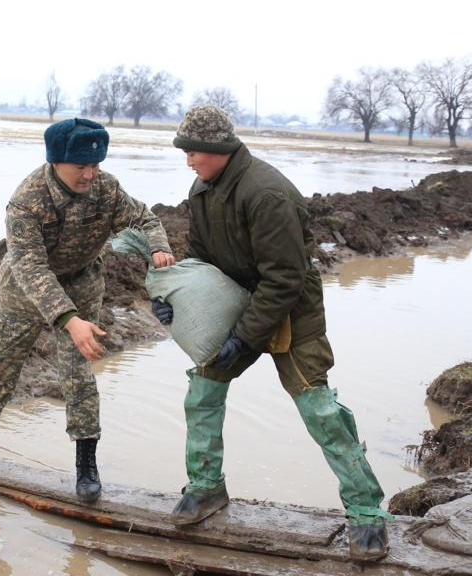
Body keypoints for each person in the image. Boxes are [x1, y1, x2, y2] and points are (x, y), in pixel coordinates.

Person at [153, 105, 391, 561]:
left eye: (194, 153)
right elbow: (201, 259)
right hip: (234, 300)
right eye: (185, 153)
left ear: (220, 150)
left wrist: (244, 339)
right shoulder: (203, 189)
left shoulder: (267, 193)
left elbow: (283, 279)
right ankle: (206, 487)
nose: (188, 162)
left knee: (319, 408)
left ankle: (366, 511)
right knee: (203, 387)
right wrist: (175, 293)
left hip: (290, 309)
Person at [0, 118, 175, 502]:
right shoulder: (27, 200)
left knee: (78, 374)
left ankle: (86, 466)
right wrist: (68, 321)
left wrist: (158, 244)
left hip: (82, 284)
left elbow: (144, 216)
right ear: (56, 161)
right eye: (81, 165)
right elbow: (30, 267)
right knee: (1, 363)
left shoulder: (106, 187)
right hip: (24, 290)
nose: (90, 173)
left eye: (95, 165)